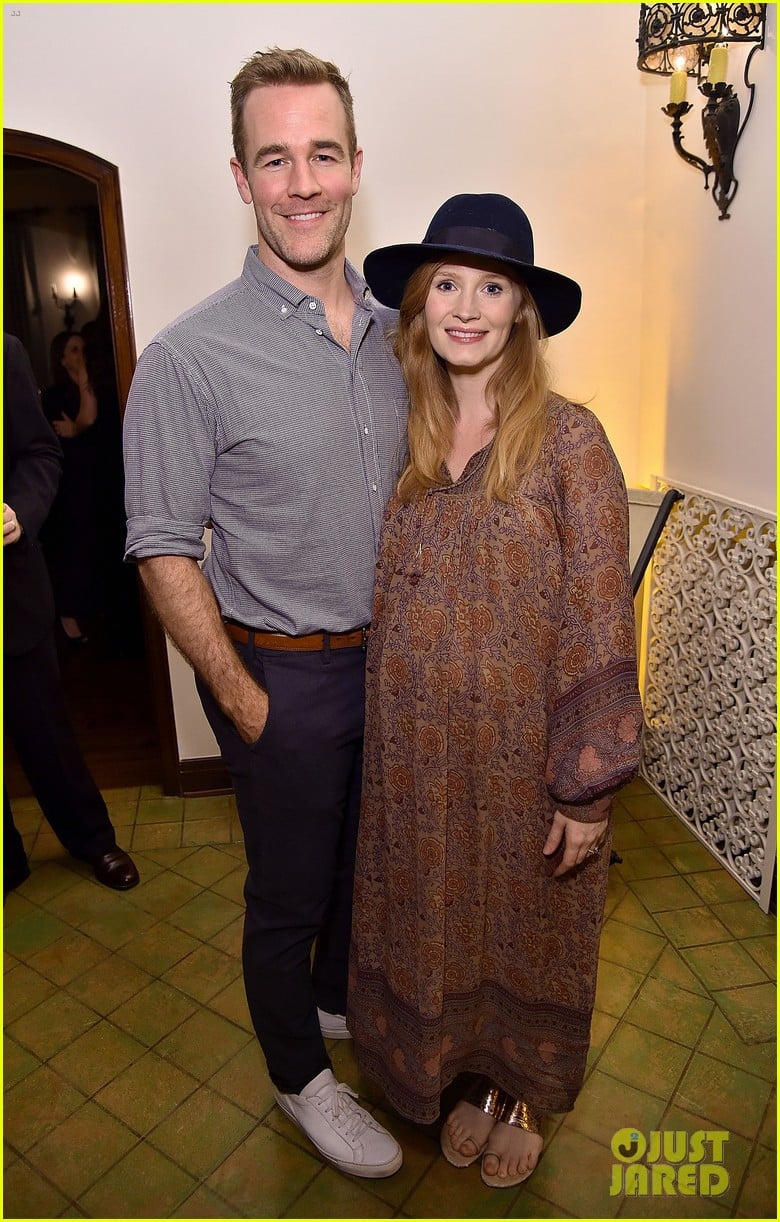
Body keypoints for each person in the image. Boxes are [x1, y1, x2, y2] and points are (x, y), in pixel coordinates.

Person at [122, 48, 407, 1179]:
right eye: (274, 159)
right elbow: (160, 545)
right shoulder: (189, 357)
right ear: (241, 178)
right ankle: (299, 1077)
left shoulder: (404, 335)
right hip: (280, 673)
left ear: (355, 166)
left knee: (362, 869)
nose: (302, 182)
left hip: (393, 667)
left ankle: (334, 1004)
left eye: (321, 154)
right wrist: (242, 699)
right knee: (287, 894)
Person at [347, 194, 644, 1189]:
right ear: (420, 306)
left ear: (522, 309)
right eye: (446, 285)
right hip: (424, 760)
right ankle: (472, 1077)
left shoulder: (570, 440)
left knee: (528, 930)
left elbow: (601, 611)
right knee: (444, 924)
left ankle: (521, 1095)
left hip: (529, 762)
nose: (467, 307)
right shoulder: (411, 436)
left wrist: (586, 787)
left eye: (492, 287)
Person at [3, 332, 139, 898]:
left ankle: (92, 840)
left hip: (11, 591)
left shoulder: (5, 352)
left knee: (46, 733)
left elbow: (41, 453)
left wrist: (18, 511)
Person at [40, 330, 103, 643]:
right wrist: (78, 427)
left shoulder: (98, 386)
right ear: (62, 358)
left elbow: (88, 424)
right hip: (70, 485)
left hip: (96, 479)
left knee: (96, 545)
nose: (81, 355)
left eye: (83, 348)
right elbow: (87, 419)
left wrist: (76, 428)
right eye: (73, 350)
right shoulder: (53, 396)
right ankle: (68, 615)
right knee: (74, 548)